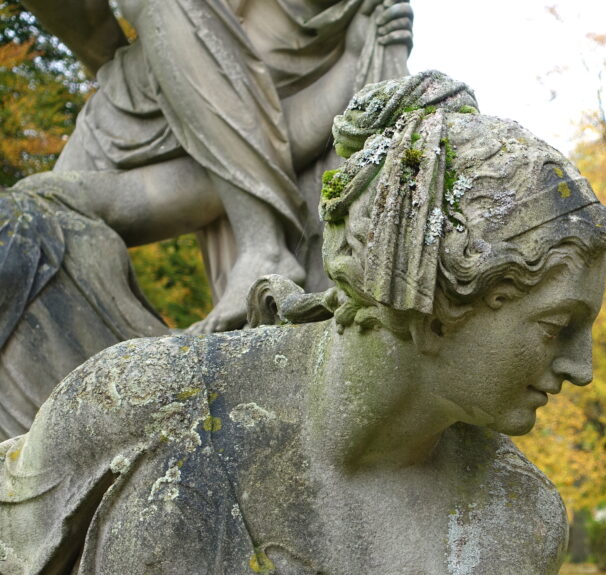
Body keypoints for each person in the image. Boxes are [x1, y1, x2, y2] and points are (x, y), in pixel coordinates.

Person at [0, 72, 606, 575]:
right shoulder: (143, 399)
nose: (582, 368)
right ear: (437, 304)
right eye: (556, 325)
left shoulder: (507, 526)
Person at [17, 0, 414, 332]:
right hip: (144, 83)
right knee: (34, 226)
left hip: (280, 53)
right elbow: (84, 25)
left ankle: (261, 242)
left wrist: (355, 60)